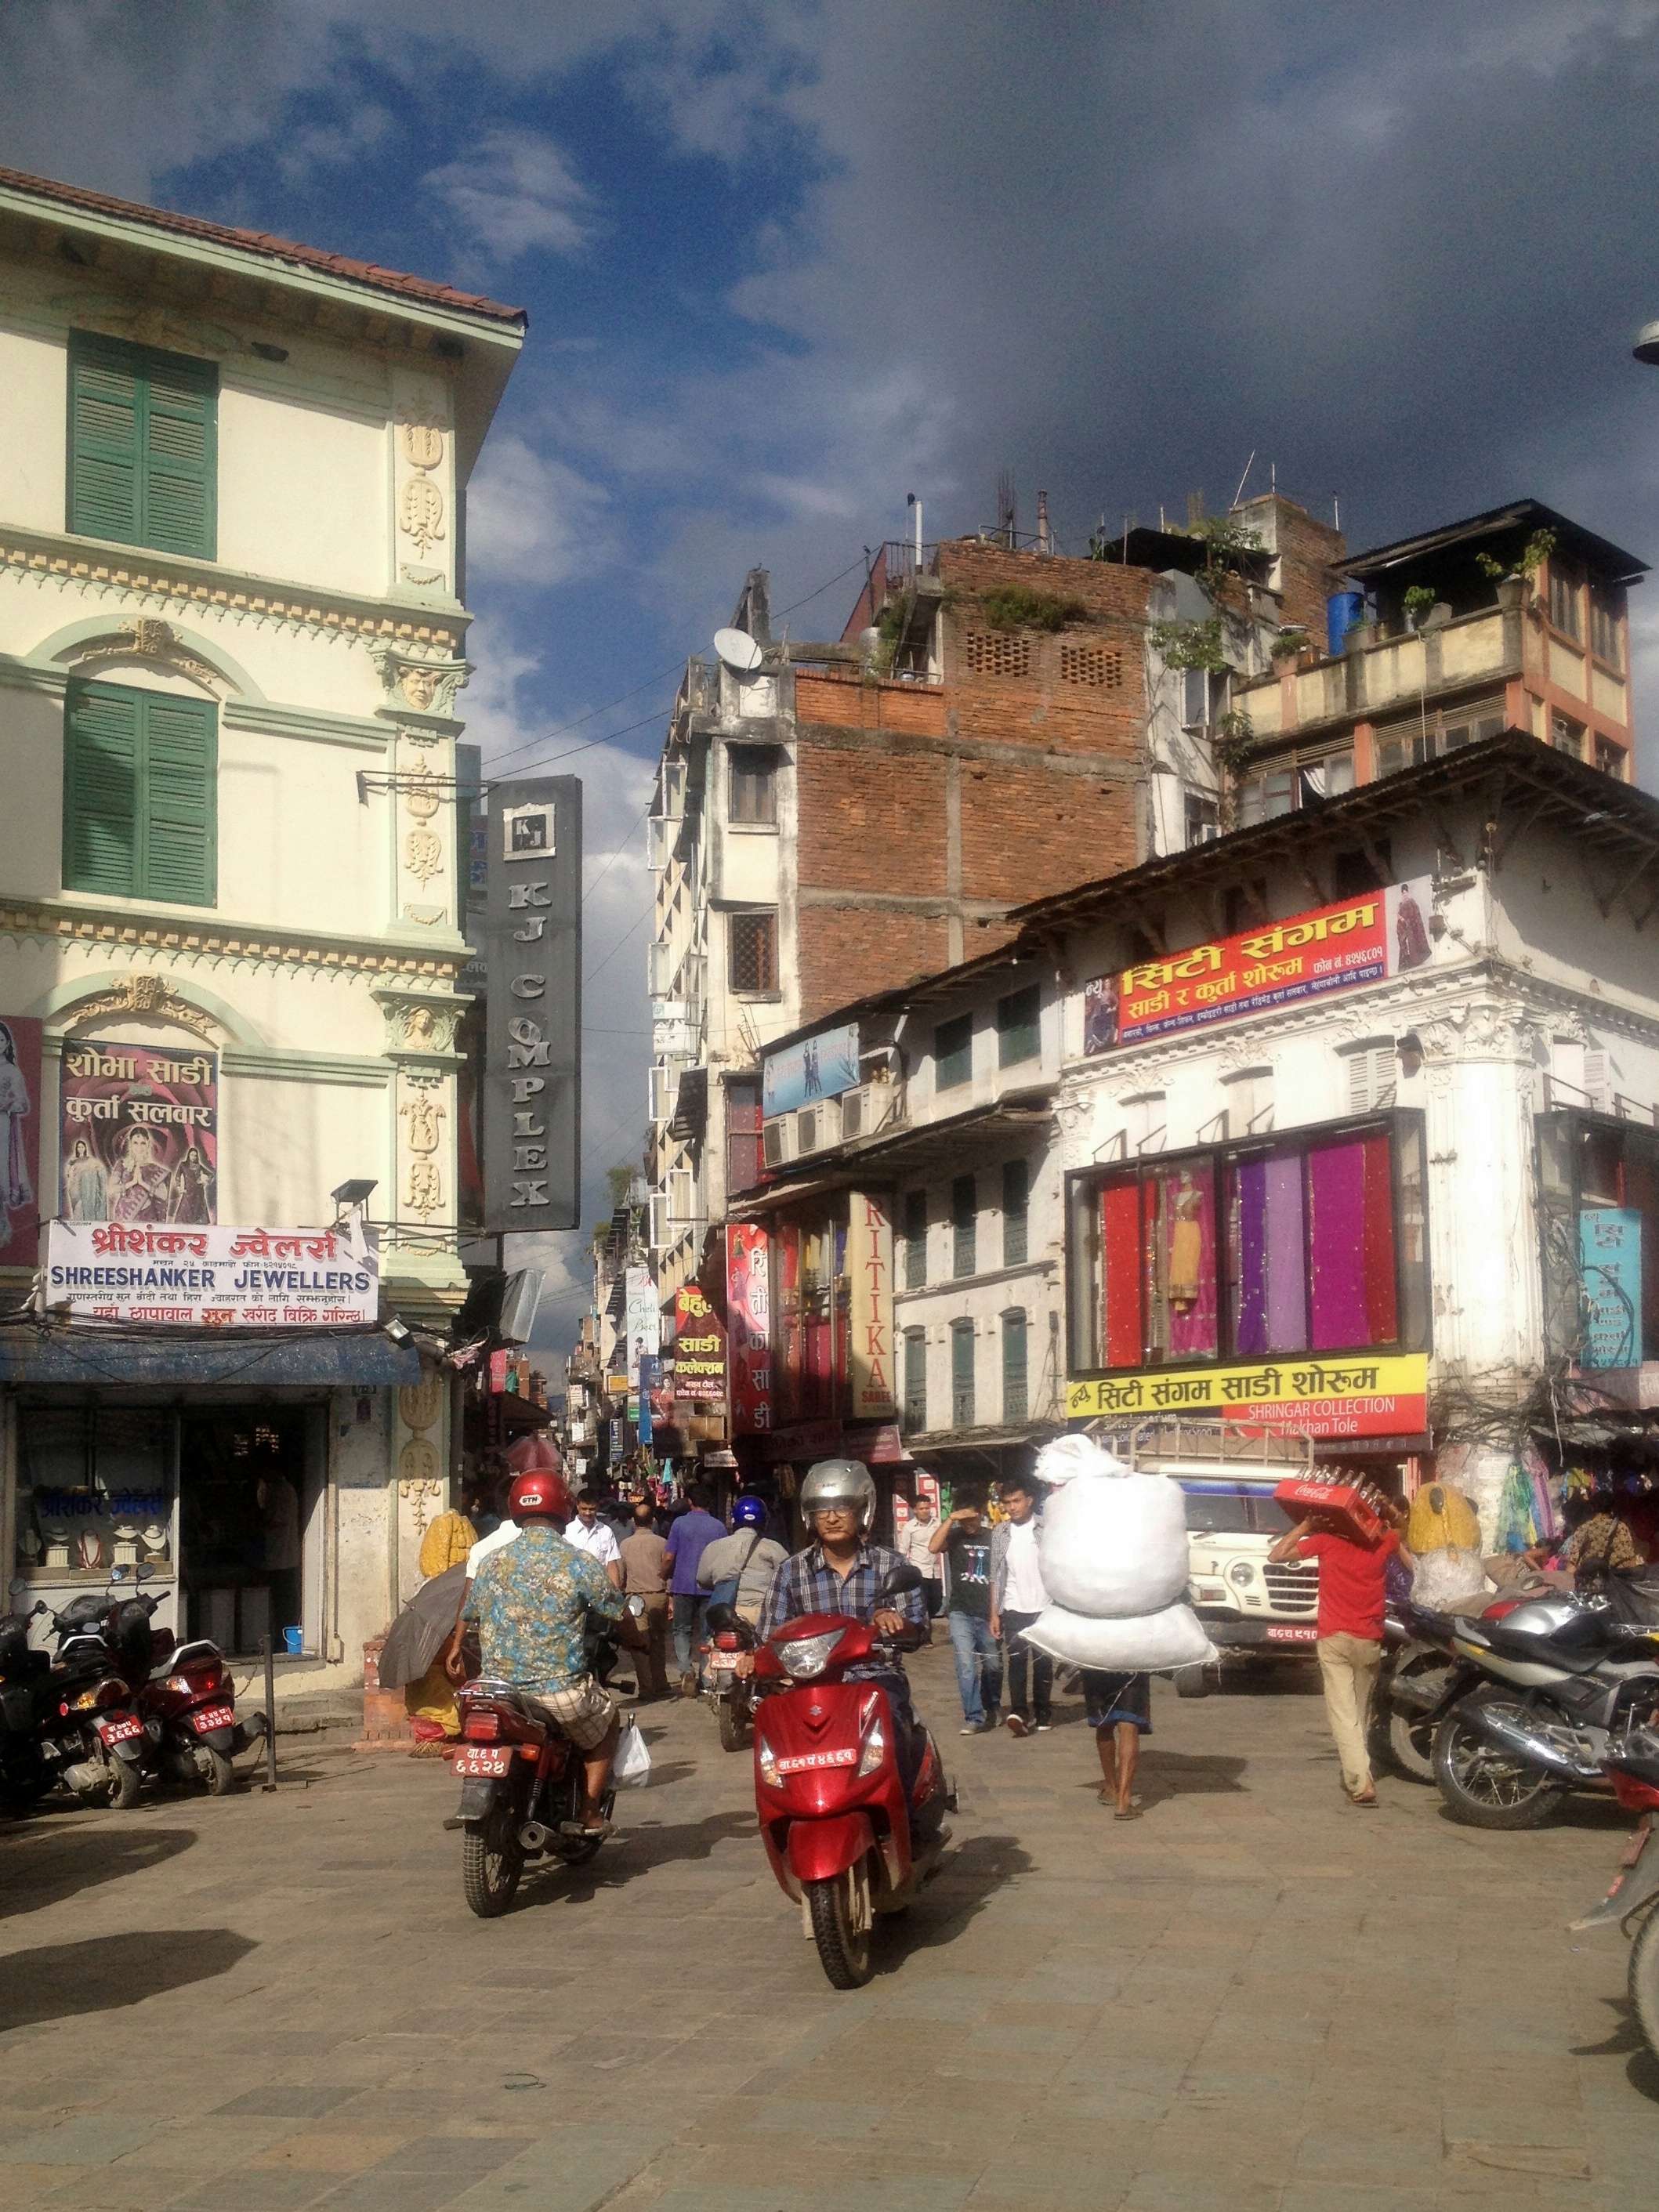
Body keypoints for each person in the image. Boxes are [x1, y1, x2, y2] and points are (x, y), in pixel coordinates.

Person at [455, 1469, 627, 1834]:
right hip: (557, 1692)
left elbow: (469, 1612)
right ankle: (590, 1812)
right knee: (609, 1721)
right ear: (563, 1508)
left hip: (496, 1691)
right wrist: (639, 1641)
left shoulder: (492, 1560)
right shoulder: (578, 1561)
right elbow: (616, 1609)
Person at [750, 1457, 931, 1791]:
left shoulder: (891, 1565)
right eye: (822, 1510)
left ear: (862, 1510)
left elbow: (919, 1630)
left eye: (842, 1507)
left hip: (876, 1681)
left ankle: (902, 1814)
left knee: (892, 1737)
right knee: (776, 1750)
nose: (831, 1518)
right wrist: (753, 1659)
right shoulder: (790, 1572)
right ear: (810, 1516)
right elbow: (769, 1636)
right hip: (810, 1685)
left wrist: (895, 1623)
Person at [1269, 1487, 1414, 1807]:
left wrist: (1305, 1526)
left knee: (1344, 1714)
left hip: (1334, 1638)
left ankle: (1360, 1783)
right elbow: (1403, 1529)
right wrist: (1388, 1509)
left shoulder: (1326, 1542)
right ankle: (1362, 1770)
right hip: (1369, 1640)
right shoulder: (1381, 1544)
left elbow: (1276, 1555)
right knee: (1360, 1712)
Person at [930, 1490, 1002, 1734]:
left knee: (993, 1666)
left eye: (971, 1518)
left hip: (989, 1611)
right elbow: (933, 1547)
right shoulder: (955, 1536)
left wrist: (997, 1612)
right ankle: (974, 1717)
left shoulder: (994, 1538)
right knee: (966, 1665)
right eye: (964, 1520)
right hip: (960, 1611)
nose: (968, 1524)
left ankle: (991, 1705)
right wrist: (951, 1519)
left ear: (981, 1514)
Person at [991, 1474, 1051, 1736]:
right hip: (1014, 1606)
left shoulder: (1046, 1527)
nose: (1011, 1507)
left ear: (1029, 1500)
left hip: (1045, 1606)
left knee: (1043, 1663)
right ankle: (1019, 1713)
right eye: (1007, 1502)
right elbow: (995, 1574)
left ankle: (1043, 1711)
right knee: (1016, 1662)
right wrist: (994, 1613)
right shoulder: (1000, 1532)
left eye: (1016, 1501)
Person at [664, 1483, 726, 1695]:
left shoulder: (679, 1524)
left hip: (682, 1585)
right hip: (710, 1586)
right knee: (708, 1633)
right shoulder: (719, 1527)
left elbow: (669, 1556)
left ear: (690, 1502)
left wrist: (663, 1575)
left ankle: (686, 1669)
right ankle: (707, 1680)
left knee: (682, 1629)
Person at [697, 1494, 788, 1624]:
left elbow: (702, 1579)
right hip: (761, 1614)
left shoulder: (714, 1547)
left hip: (724, 1615)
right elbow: (788, 1577)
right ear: (764, 1520)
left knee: (711, 1637)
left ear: (734, 1518)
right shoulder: (773, 1548)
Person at [618, 1500, 672, 1699]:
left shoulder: (624, 1545)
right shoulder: (662, 1543)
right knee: (658, 1641)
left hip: (635, 1599)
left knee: (639, 1644)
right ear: (653, 1521)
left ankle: (646, 1688)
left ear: (633, 1521)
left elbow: (621, 1576)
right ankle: (660, 1682)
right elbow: (669, 1572)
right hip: (659, 1596)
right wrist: (670, 1597)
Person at [1083, 1669, 1151, 1819]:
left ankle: (1111, 1788)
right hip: (1132, 1666)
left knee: (1104, 1723)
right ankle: (1123, 1801)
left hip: (1097, 1665)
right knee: (1128, 1723)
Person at [897, 1490, 945, 1617]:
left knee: (936, 1604)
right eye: (921, 1509)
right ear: (915, 1510)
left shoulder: (937, 1524)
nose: (925, 1511)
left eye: (927, 1508)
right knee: (921, 1604)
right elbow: (903, 1551)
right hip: (919, 1571)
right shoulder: (909, 1527)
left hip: (935, 1571)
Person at [564, 1492, 624, 1590]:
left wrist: (616, 1592)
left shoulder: (606, 1531)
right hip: (574, 1589)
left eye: (591, 1509)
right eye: (584, 1509)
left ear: (598, 1507)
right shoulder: (567, 1531)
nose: (588, 1513)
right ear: (577, 1506)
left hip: (601, 1589)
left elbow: (612, 1565)